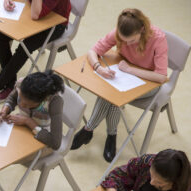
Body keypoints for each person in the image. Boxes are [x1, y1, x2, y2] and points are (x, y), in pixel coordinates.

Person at [71, 8, 168, 162]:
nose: (127, 44)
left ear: (142, 30)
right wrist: (99, 68)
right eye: (123, 40)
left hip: (148, 83)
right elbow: (93, 51)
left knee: (114, 94)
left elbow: (161, 77)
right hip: (124, 75)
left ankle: (88, 129)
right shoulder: (120, 32)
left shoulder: (157, 38)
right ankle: (111, 135)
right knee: (112, 93)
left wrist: (130, 70)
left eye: (131, 40)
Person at [0, 0, 70, 105]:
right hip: (29, 11)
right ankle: (10, 83)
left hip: (55, 23)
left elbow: (35, 15)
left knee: (25, 47)